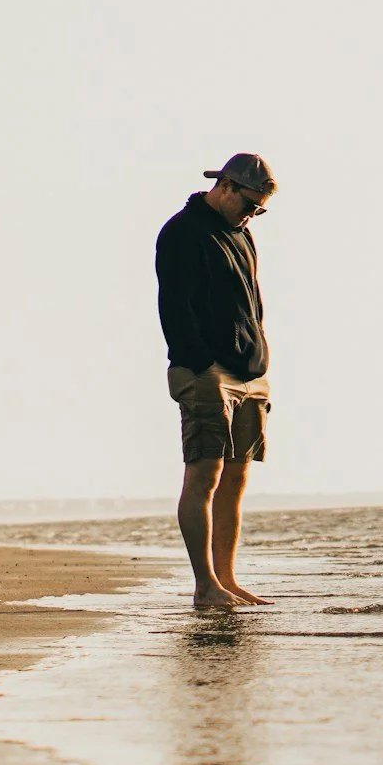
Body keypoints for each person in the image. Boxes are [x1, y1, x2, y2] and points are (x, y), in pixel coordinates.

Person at [156, 152, 277, 608]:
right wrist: (200, 363)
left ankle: (226, 579)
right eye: (250, 203)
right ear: (225, 187)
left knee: (236, 480)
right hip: (205, 371)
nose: (253, 213)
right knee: (203, 474)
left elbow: (252, 306)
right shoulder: (182, 232)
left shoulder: (243, 234)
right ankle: (205, 585)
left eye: (259, 208)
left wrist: (259, 355)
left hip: (249, 372)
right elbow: (175, 307)